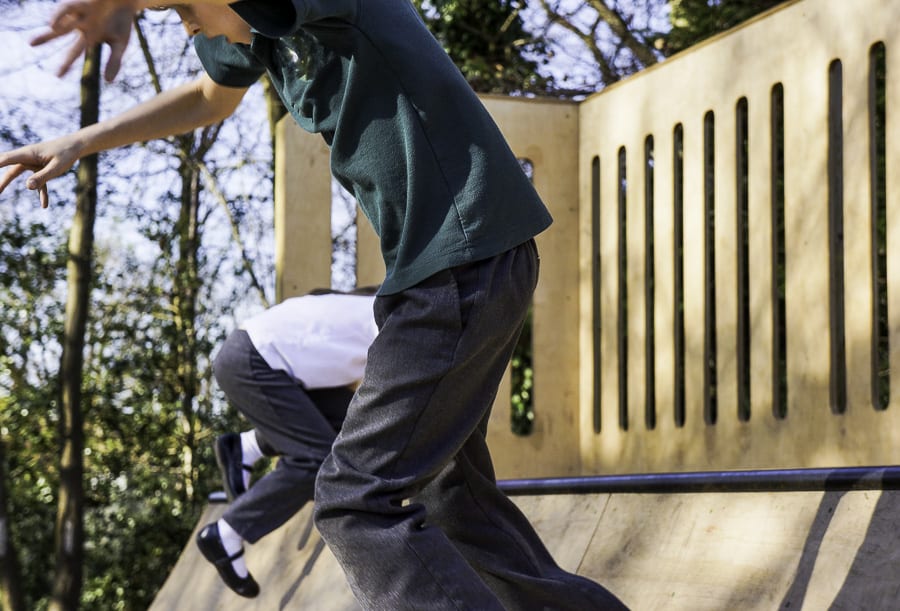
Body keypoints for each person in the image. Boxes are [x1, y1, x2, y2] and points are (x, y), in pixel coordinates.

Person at [0, 2, 628, 609]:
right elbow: (206, 98)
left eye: (185, 10)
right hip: (438, 273)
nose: (187, 24)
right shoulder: (261, 38)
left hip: (462, 259)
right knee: (450, 490)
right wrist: (82, 140)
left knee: (354, 500)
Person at [203, 287, 378, 597]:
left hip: (268, 361)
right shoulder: (388, 320)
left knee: (352, 423)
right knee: (318, 460)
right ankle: (227, 533)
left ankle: (247, 446)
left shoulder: (370, 305)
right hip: (253, 361)